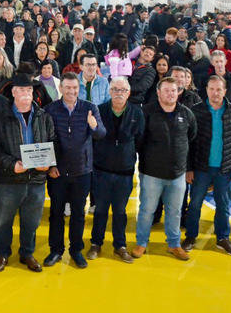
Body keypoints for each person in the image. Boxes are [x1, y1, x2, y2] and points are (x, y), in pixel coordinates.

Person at [0, 74, 55, 273]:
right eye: (21, 90)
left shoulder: (44, 117)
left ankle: (27, 253)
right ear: (13, 92)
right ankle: (2, 253)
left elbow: (53, 142)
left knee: (32, 221)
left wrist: (49, 163)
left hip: (36, 180)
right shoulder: (1, 117)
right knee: (3, 221)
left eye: (29, 90)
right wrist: (12, 164)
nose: (26, 93)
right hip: (9, 179)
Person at [43, 72, 105, 269]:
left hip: (82, 171)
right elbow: (44, 139)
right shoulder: (50, 110)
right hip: (57, 173)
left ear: (79, 89)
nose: (71, 91)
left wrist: (94, 126)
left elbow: (101, 134)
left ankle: (76, 250)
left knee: (79, 213)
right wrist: (51, 165)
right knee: (56, 213)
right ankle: (56, 250)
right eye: (67, 88)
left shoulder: (90, 108)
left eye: (75, 88)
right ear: (60, 89)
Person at [181, 75, 231, 257]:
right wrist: (188, 168)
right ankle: (191, 236)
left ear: (225, 91)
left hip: (225, 170)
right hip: (201, 168)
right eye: (211, 89)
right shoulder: (196, 111)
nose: (215, 93)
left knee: (223, 205)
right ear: (206, 90)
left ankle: (222, 238)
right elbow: (188, 142)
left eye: (219, 89)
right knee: (194, 204)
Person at [132, 77, 197, 261]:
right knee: (147, 210)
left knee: (175, 211)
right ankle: (141, 243)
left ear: (179, 93)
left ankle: (174, 245)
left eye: (173, 90)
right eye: (166, 90)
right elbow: (139, 140)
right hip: (151, 173)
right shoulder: (146, 113)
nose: (170, 94)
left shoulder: (187, 114)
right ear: (158, 93)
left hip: (177, 174)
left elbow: (191, 138)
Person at [88, 76, 144, 263]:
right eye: (115, 89)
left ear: (128, 93)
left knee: (120, 212)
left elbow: (140, 141)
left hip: (125, 172)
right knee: (101, 210)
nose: (118, 93)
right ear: (109, 91)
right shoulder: (99, 111)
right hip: (101, 171)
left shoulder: (137, 113)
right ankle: (96, 243)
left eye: (122, 90)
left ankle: (120, 245)